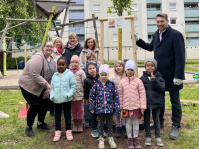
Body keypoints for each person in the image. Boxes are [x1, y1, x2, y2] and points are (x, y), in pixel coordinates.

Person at [135, 13, 185, 140]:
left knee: (175, 102)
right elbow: (151, 47)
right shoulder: (156, 34)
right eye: (157, 21)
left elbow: (180, 56)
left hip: (173, 75)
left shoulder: (175, 35)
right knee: (160, 101)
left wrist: (179, 75)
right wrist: (138, 41)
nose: (159, 24)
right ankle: (160, 122)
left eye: (162, 21)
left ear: (167, 21)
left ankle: (175, 125)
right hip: (158, 76)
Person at [18, 41, 57, 137]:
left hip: (43, 86)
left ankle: (40, 123)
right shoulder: (38, 57)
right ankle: (29, 127)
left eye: (51, 47)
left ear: (53, 49)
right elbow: (34, 74)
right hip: (28, 85)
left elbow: (53, 77)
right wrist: (46, 85)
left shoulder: (54, 61)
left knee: (45, 102)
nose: (49, 48)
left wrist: (48, 90)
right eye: (47, 46)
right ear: (43, 47)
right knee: (35, 105)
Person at [89, 64, 120, 149]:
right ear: (99, 75)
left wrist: (117, 107)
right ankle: (101, 138)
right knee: (100, 124)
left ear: (108, 75)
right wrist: (92, 107)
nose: (103, 76)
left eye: (105, 75)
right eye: (102, 75)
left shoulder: (111, 85)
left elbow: (115, 96)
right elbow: (92, 96)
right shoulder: (96, 85)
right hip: (100, 109)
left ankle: (110, 138)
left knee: (110, 124)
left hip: (110, 109)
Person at [118, 60, 146, 149]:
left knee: (135, 122)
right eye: (128, 69)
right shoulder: (122, 82)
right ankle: (130, 139)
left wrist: (142, 106)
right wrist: (121, 106)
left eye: (131, 69)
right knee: (128, 123)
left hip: (136, 106)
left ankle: (136, 138)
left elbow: (142, 94)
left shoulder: (138, 81)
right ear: (125, 70)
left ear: (134, 70)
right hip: (126, 107)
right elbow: (120, 95)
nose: (129, 71)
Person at [50, 56, 77, 142]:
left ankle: (68, 130)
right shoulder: (54, 75)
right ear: (57, 65)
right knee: (57, 116)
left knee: (67, 115)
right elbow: (52, 87)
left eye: (63, 64)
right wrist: (52, 96)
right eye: (59, 64)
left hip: (66, 100)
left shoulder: (70, 74)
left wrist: (69, 94)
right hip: (56, 100)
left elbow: (74, 86)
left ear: (66, 65)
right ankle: (57, 131)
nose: (61, 66)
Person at [140, 58, 165, 147]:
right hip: (146, 103)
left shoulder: (159, 76)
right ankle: (148, 136)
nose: (150, 67)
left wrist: (155, 80)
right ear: (145, 67)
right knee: (146, 119)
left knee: (156, 119)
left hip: (156, 103)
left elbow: (162, 88)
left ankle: (158, 137)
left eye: (152, 65)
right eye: (148, 65)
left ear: (155, 67)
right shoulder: (142, 78)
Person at [109, 60, 126, 138]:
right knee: (118, 113)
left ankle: (125, 126)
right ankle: (118, 127)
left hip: (125, 98)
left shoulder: (126, 76)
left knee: (125, 113)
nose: (118, 68)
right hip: (116, 98)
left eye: (120, 66)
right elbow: (111, 89)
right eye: (116, 66)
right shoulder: (113, 78)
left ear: (123, 67)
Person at [69, 55, 86, 132]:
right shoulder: (68, 72)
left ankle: (80, 124)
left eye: (76, 62)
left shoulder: (81, 72)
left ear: (78, 63)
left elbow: (84, 83)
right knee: (73, 110)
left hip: (79, 94)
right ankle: (75, 124)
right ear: (70, 63)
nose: (74, 64)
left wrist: (83, 93)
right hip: (72, 95)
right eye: (73, 62)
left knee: (80, 110)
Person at [83, 62, 99, 137]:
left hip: (100, 100)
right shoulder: (86, 80)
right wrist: (86, 100)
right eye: (90, 69)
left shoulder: (99, 77)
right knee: (92, 114)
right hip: (91, 100)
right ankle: (94, 129)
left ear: (96, 69)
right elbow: (85, 92)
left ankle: (100, 127)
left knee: (99, 114)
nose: (92, 70)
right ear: (87, 71)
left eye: (93, 68)